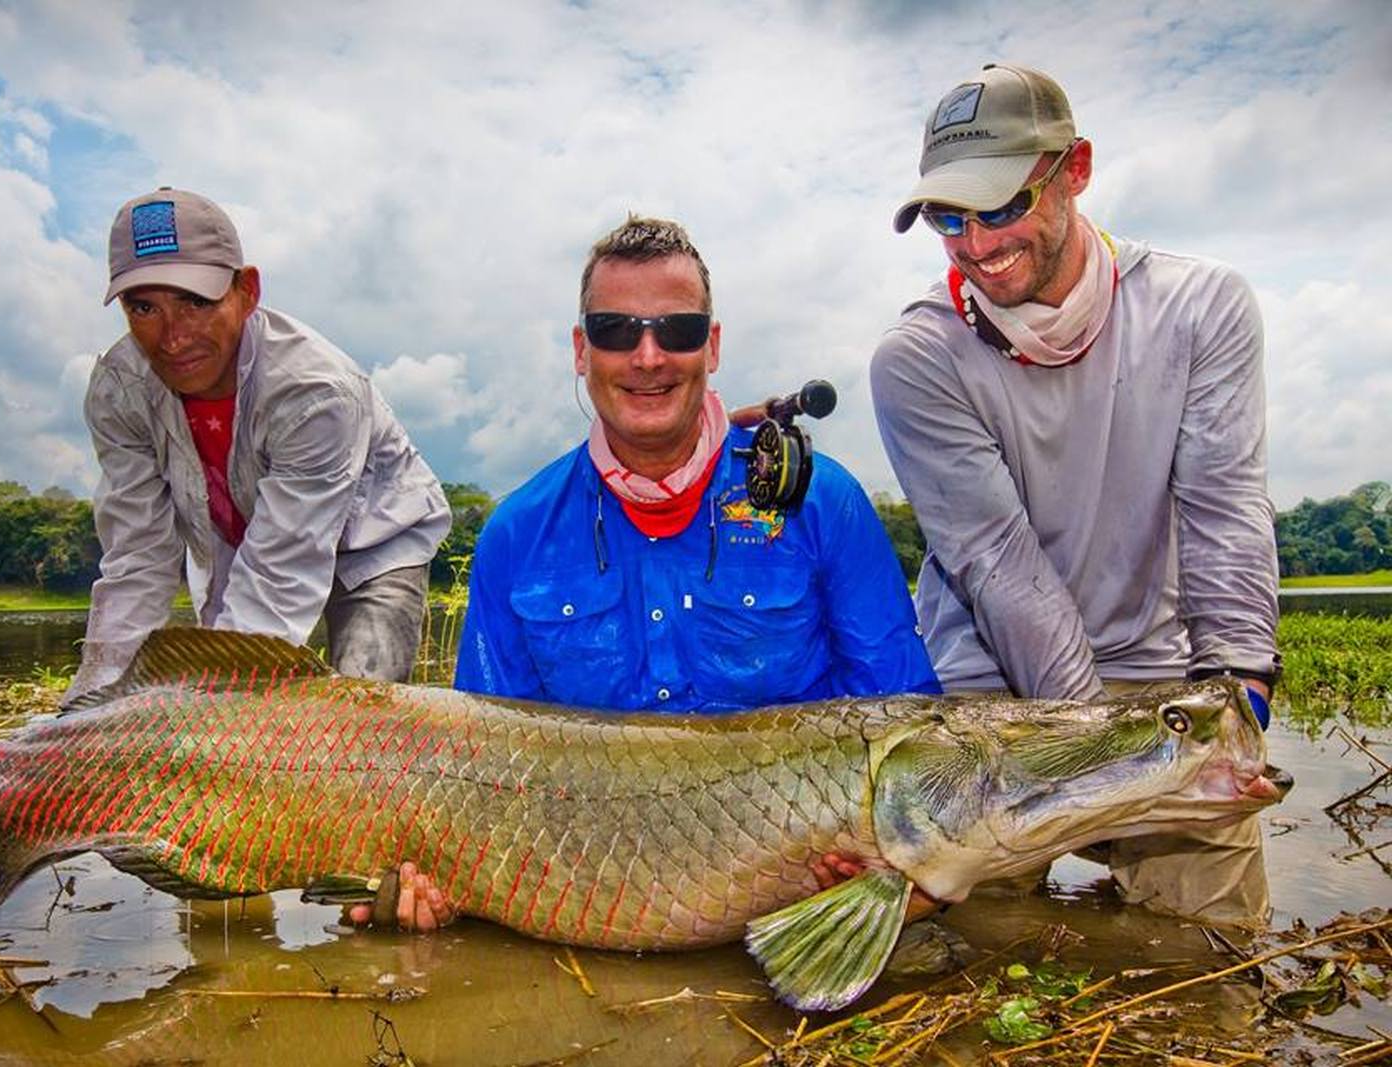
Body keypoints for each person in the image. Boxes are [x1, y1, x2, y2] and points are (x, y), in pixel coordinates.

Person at [357, 214, 941, 930]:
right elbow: (480, 766)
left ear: (712, 345)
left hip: (803, 895)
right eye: (615, 331)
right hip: (586, 900)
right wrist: (434, 879)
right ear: (582, 350)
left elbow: (911, 725)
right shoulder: (515, 534)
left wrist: (916, 875)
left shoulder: (824, 501)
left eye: (677, 330)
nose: (648, 356)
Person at [870, 64, 1280, 926]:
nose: (976, 243)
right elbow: (998, 565)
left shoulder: (1201, 307)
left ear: (1075, 169)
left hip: (1159, 687)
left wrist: (1237, 691)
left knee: (1216, 951)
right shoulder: (917, 359)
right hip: (986, 704)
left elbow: (1225, 510)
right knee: (971, 955)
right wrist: (1102, 762)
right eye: (949, 218)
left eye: (1002, 206)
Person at [63, 187, 451, 706]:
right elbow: (138, 558)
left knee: (360, 710)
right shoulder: (121, 390)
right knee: (215, 697)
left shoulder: (316, 392)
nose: (173, 338)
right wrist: (90, 710)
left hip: (372, 543)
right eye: (144, 308)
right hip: (243, 542)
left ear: (246, 291)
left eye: (196, 302)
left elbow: (280, 576)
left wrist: (212, 706)